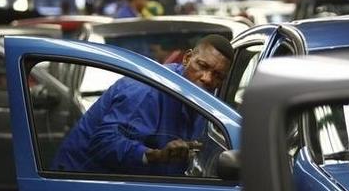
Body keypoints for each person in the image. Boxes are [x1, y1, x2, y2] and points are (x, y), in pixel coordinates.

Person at [51, 34, 234, 176]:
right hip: (79, 184)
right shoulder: (149, 90)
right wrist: (157, 155)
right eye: (202, 66)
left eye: (218, 75)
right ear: (186, 58)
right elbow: (104, 144)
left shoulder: (202, 99)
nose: (207, 78)